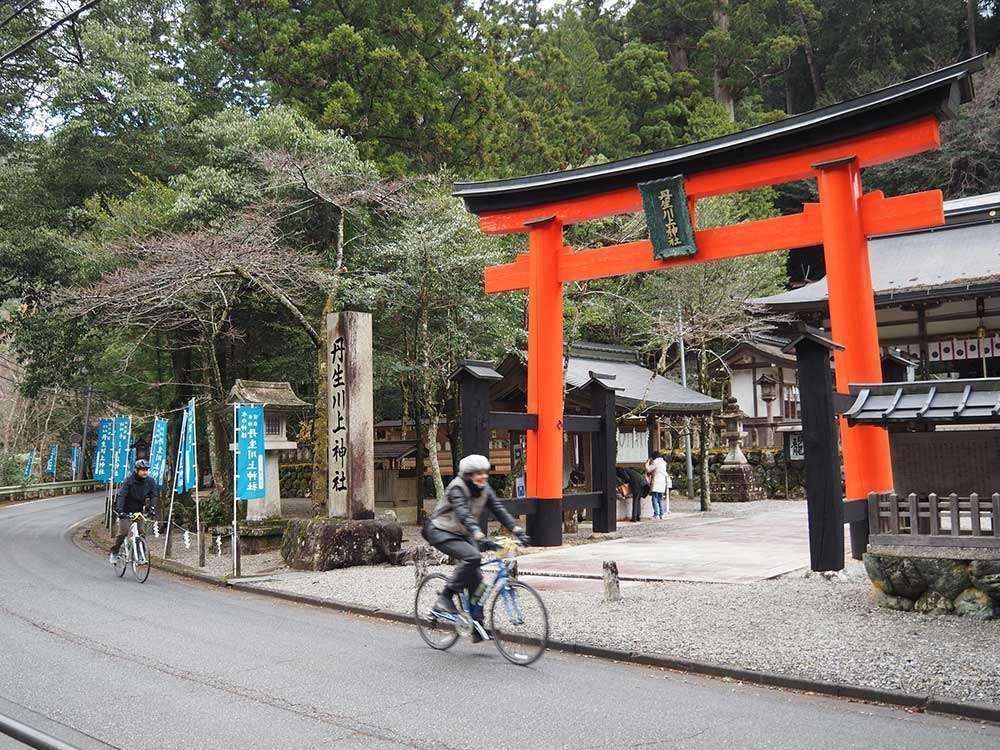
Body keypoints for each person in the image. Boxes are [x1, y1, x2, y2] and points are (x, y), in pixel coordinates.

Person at [422, 454, 529, 634]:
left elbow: (499, 510)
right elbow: (463, 514)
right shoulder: (457, 487)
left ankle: (477, 626)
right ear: (468, 475)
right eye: (478, 473)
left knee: (478, 579)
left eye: (485, 473)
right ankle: (445, 597)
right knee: (473, 556)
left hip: (463, 533)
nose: (483, 477)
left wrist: (516, 529)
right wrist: (478, 534)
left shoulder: (485, 489)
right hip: (440, 530)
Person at [109, 459, 159, 564]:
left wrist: (152, 508)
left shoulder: (150, 481)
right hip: (126, 510)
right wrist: (120, 511)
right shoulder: (129, 481)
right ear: (136, 470)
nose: (145, 472)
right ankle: (115, 551)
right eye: (142, 470)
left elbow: (154, 495)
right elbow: (122, 496)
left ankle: (140, 554)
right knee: (123, 532)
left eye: (146, 470)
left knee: (141, 532)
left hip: (138, 510)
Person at [645, 451, 671, 519]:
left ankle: (656, 514)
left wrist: (647, 463)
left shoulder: (655, 462)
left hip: (656, 481)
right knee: (660, 498)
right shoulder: (663, 462)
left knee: (654, 498)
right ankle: (661, 514)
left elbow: (648, 469)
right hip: (663, 482)